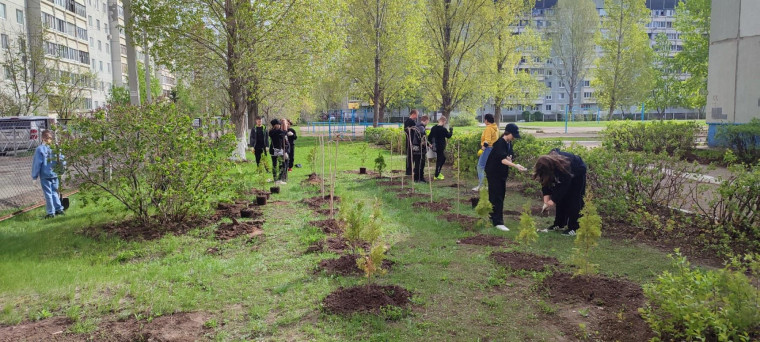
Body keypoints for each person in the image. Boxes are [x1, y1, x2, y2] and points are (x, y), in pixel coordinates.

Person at [534, 149, 587, 236]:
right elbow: (545, 183)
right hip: (567, 174)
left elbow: (564, 186)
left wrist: (553, 200)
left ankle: (575, 228)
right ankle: (559, 224)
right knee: (561, 200)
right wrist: (546, 201)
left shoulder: (564, 165)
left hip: (578, 172)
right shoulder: (544, 166)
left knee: (574, 200)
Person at [485, 123, 527, 232]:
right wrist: (516, 166)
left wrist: (511, 160)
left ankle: (492, 216)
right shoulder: (500, 143)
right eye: (513, 135)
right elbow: (502, 160)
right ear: (508, 133)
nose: (514, 138)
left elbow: (508, 157)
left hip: (501, 174)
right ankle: (497, 222)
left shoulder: (508, 143)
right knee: (497, 196)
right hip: (494, 173)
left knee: (500, 195)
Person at [31, 130, 65, 219]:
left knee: (48, 193)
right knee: (54, 192)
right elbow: (62, 159)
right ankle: (59, 209)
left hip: (45, 175)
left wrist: (34, 176)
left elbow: (37, 163)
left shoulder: (40, 149)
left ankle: (51, 212)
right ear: (51, 138)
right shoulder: (56, 148)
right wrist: (62, 171)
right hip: (55, 174)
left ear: (42, 138)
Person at [473, 114, 499, 191]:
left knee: (480, 166)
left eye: (484, 119)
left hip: (488, 149)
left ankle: (482, 186)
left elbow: (487, 141)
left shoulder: (488, 128)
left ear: (487, 120)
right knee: (489, 167)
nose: (484, 121)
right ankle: (489, 185)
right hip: (494, 149)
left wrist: (482, 149)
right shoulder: (495, 128)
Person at [268, 119, 290, 185]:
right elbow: (284, 133)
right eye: (279, 124)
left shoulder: (274, 131)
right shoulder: (273, 132)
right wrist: (285, 127)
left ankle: (278, 179)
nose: (280, 125)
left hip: (277, 150)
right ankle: (277, 179)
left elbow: (283, 134)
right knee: (278, 165)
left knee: (279, 164)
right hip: (275, 150)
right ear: (275, 125)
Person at [410, 115, 430, 183]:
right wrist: (427, 144)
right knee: (421, 163)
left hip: (415, 147)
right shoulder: (421, 128)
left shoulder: (417, 126)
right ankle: (419, 178)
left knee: (417, 163)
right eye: (428, 121)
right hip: (419, 148)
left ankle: (416, 178)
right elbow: (423, 138)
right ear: (426, 120)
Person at [404, 109, 419, 176]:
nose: (417, 116)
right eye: (417, 115)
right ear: (413, 114)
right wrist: (412, 129)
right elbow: (406, 130)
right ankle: (408, 171)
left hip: (413, 141)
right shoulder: (409, 121)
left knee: (413, 155)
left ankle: (411, 170)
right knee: (410, 155)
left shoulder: (412, 121)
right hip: (410, 141)